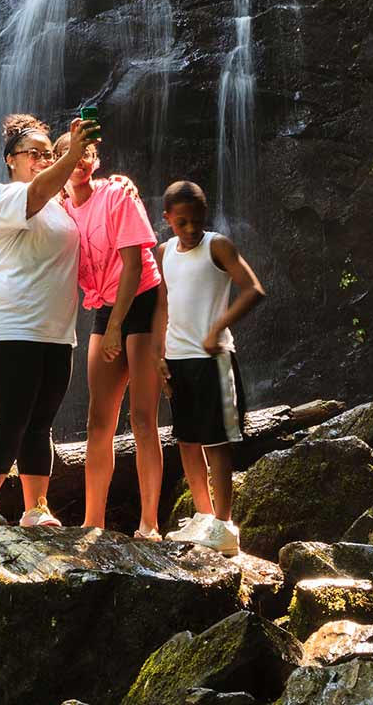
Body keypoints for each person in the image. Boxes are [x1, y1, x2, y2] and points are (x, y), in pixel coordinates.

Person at [0, 112, 97, 528]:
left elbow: (89, 209)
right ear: (12, 159)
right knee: (14, 414)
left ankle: (35, 508)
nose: (42, 159)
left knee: (41, 422)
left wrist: (114, 183)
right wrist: (70, 154)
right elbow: (41, 190)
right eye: (33, 153)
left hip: (55, 330)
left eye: (48, 153)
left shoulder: (61, 208)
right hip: (7, 323)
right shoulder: (8, 196)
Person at [57, 134, 165, 538]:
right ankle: (92, 521)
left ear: (96, 159)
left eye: (87, 153)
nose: (81, 161)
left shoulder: (118, 196)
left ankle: (149, 523)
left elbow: (135, 264)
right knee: (98, 421)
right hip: (105, 306)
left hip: (140, 300)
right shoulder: (61, 210)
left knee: (142, 418)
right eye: (72, 154)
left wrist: (117, 326)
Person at [153, 180, 265, 556]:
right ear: (168, 218)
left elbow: (252, 289)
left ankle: (224, 524)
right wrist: (158, 355)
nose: (190, 229)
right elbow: (162, 306)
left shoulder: (217, 245)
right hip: (178, 358)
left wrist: (217, 328)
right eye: (181, 222)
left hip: (213, 359)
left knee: (217, 442)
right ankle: (202, 515)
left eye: (196, 220)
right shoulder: (164, 252)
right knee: (187, 439)